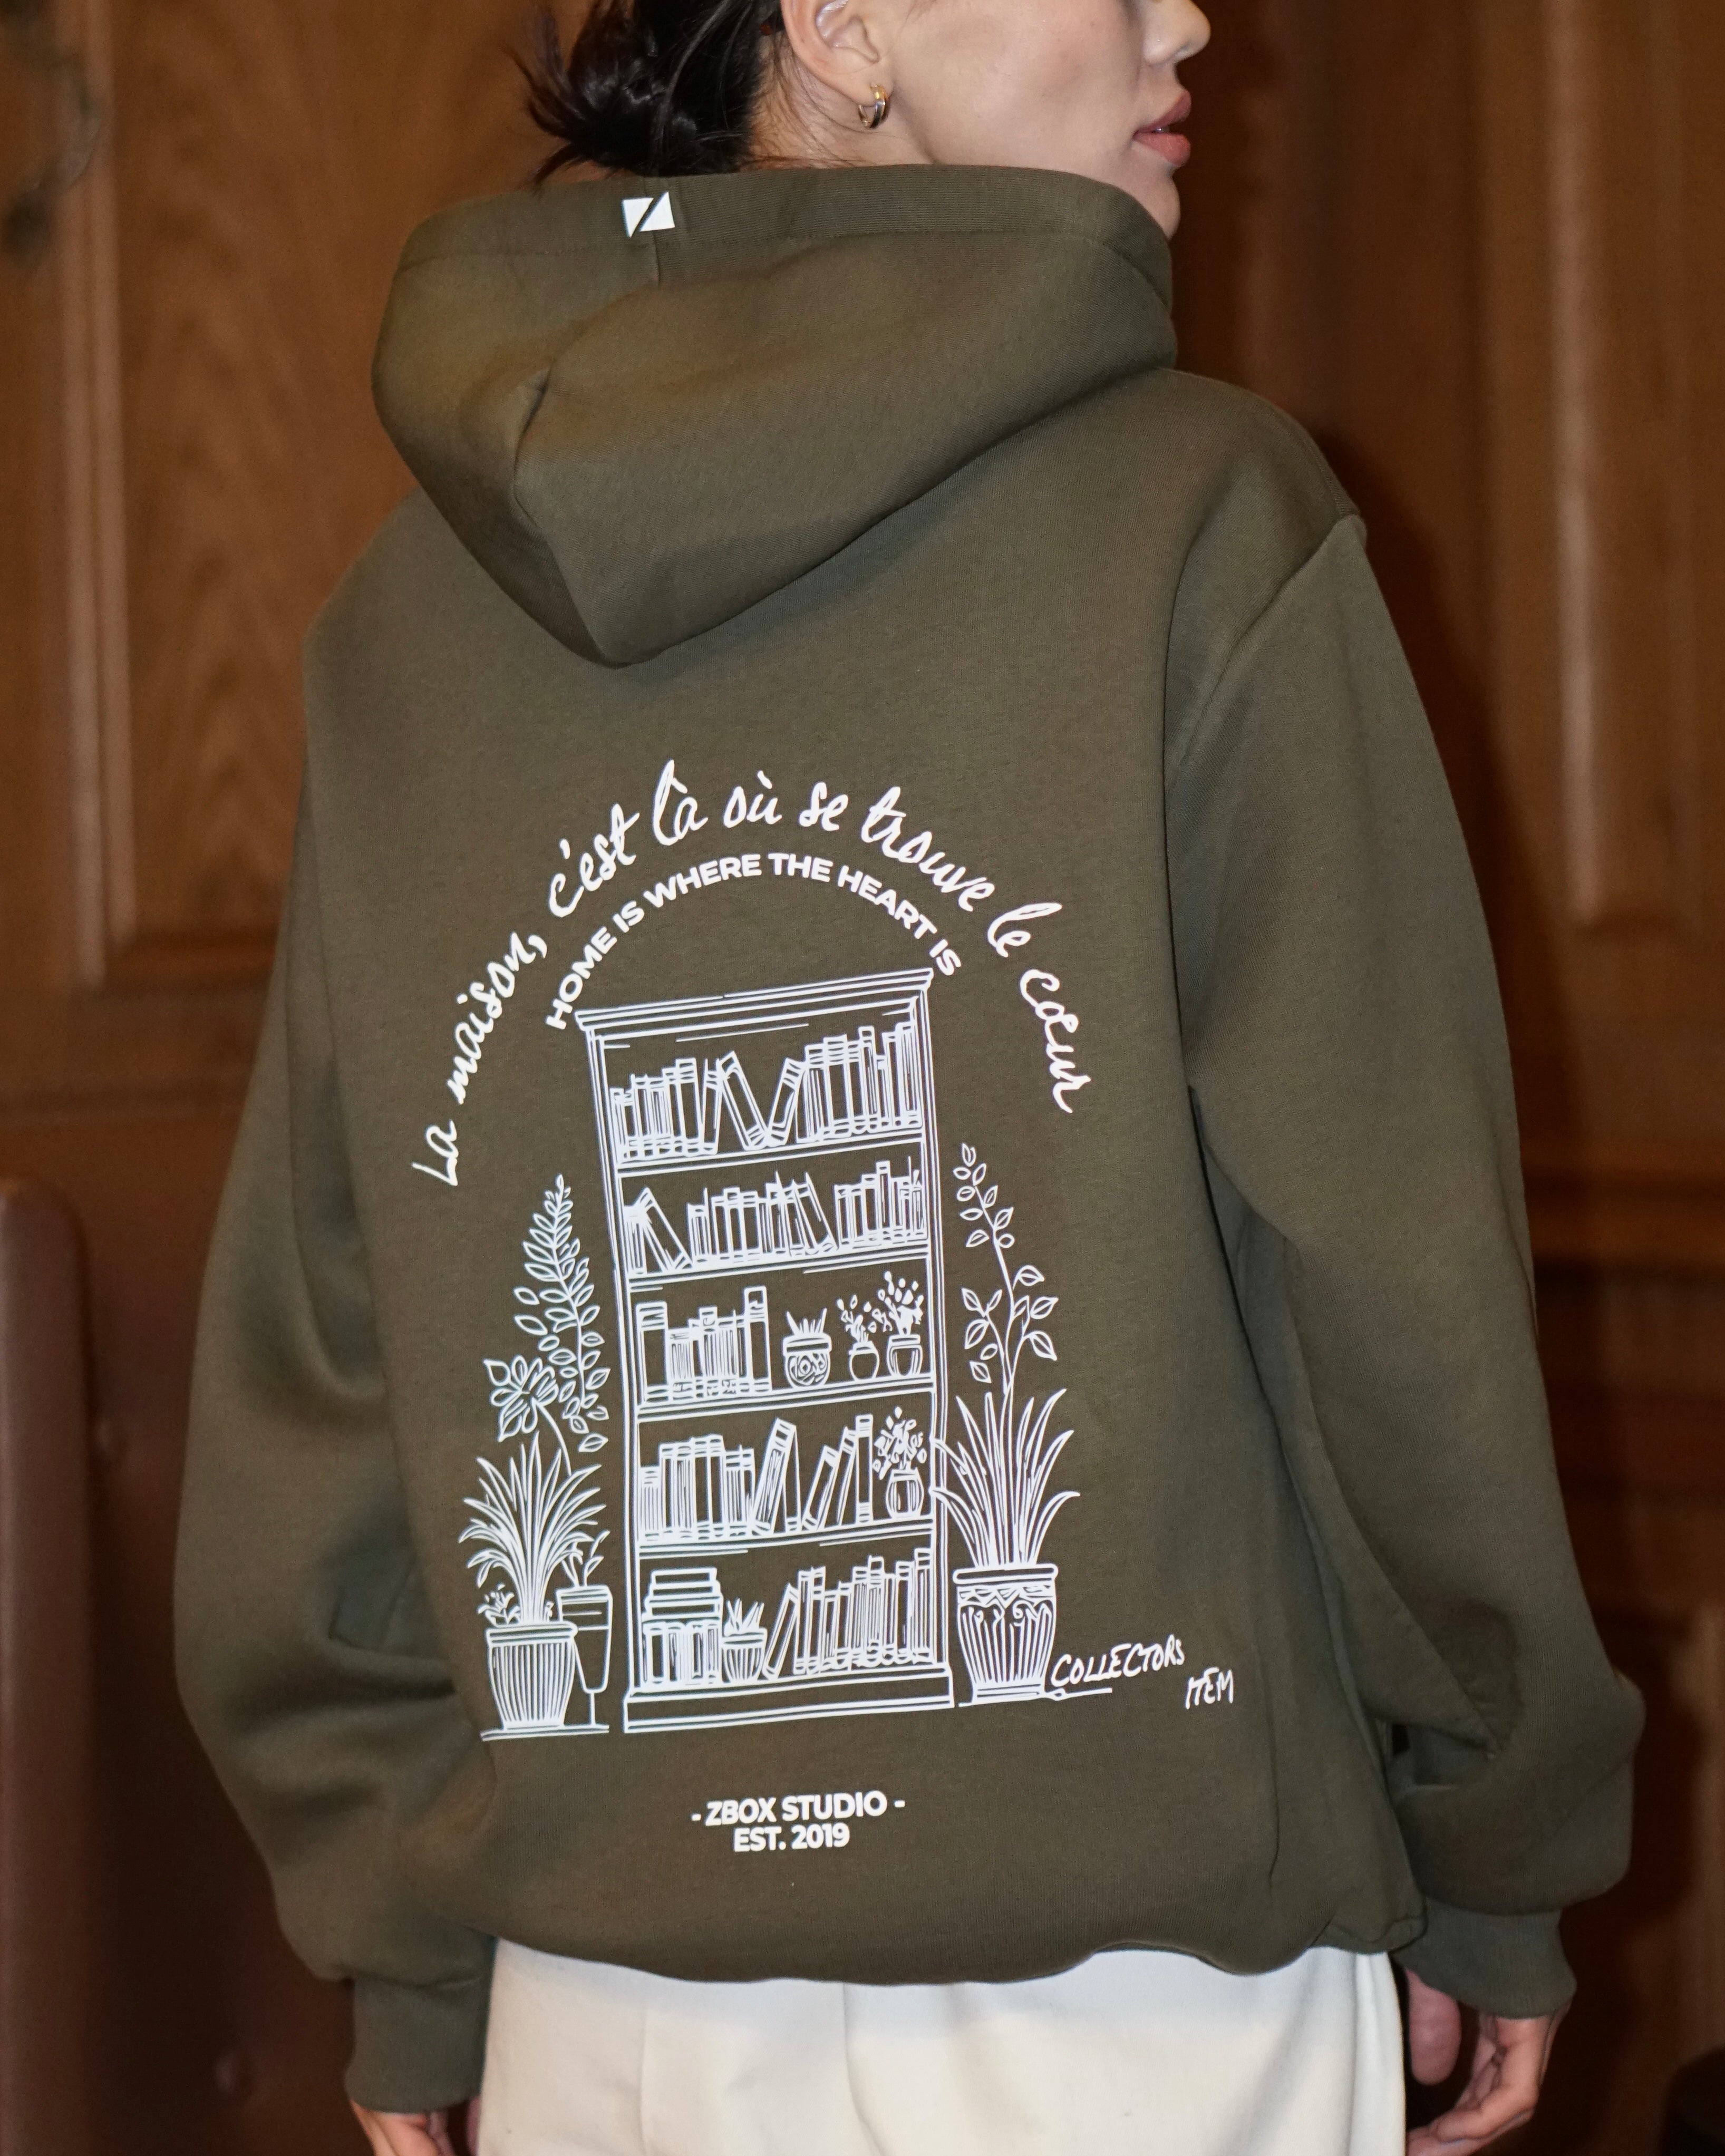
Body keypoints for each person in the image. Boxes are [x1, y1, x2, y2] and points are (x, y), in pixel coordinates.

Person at [175, 1, 1642, 2152]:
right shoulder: (1201, 524)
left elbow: (326, 1346)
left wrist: (406, 1941)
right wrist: (1494, 1842)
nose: (1185, 18)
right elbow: (1385, 1281)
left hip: (604, 2007)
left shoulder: (405, 610)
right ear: (844, 23)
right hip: (1146, 2001)